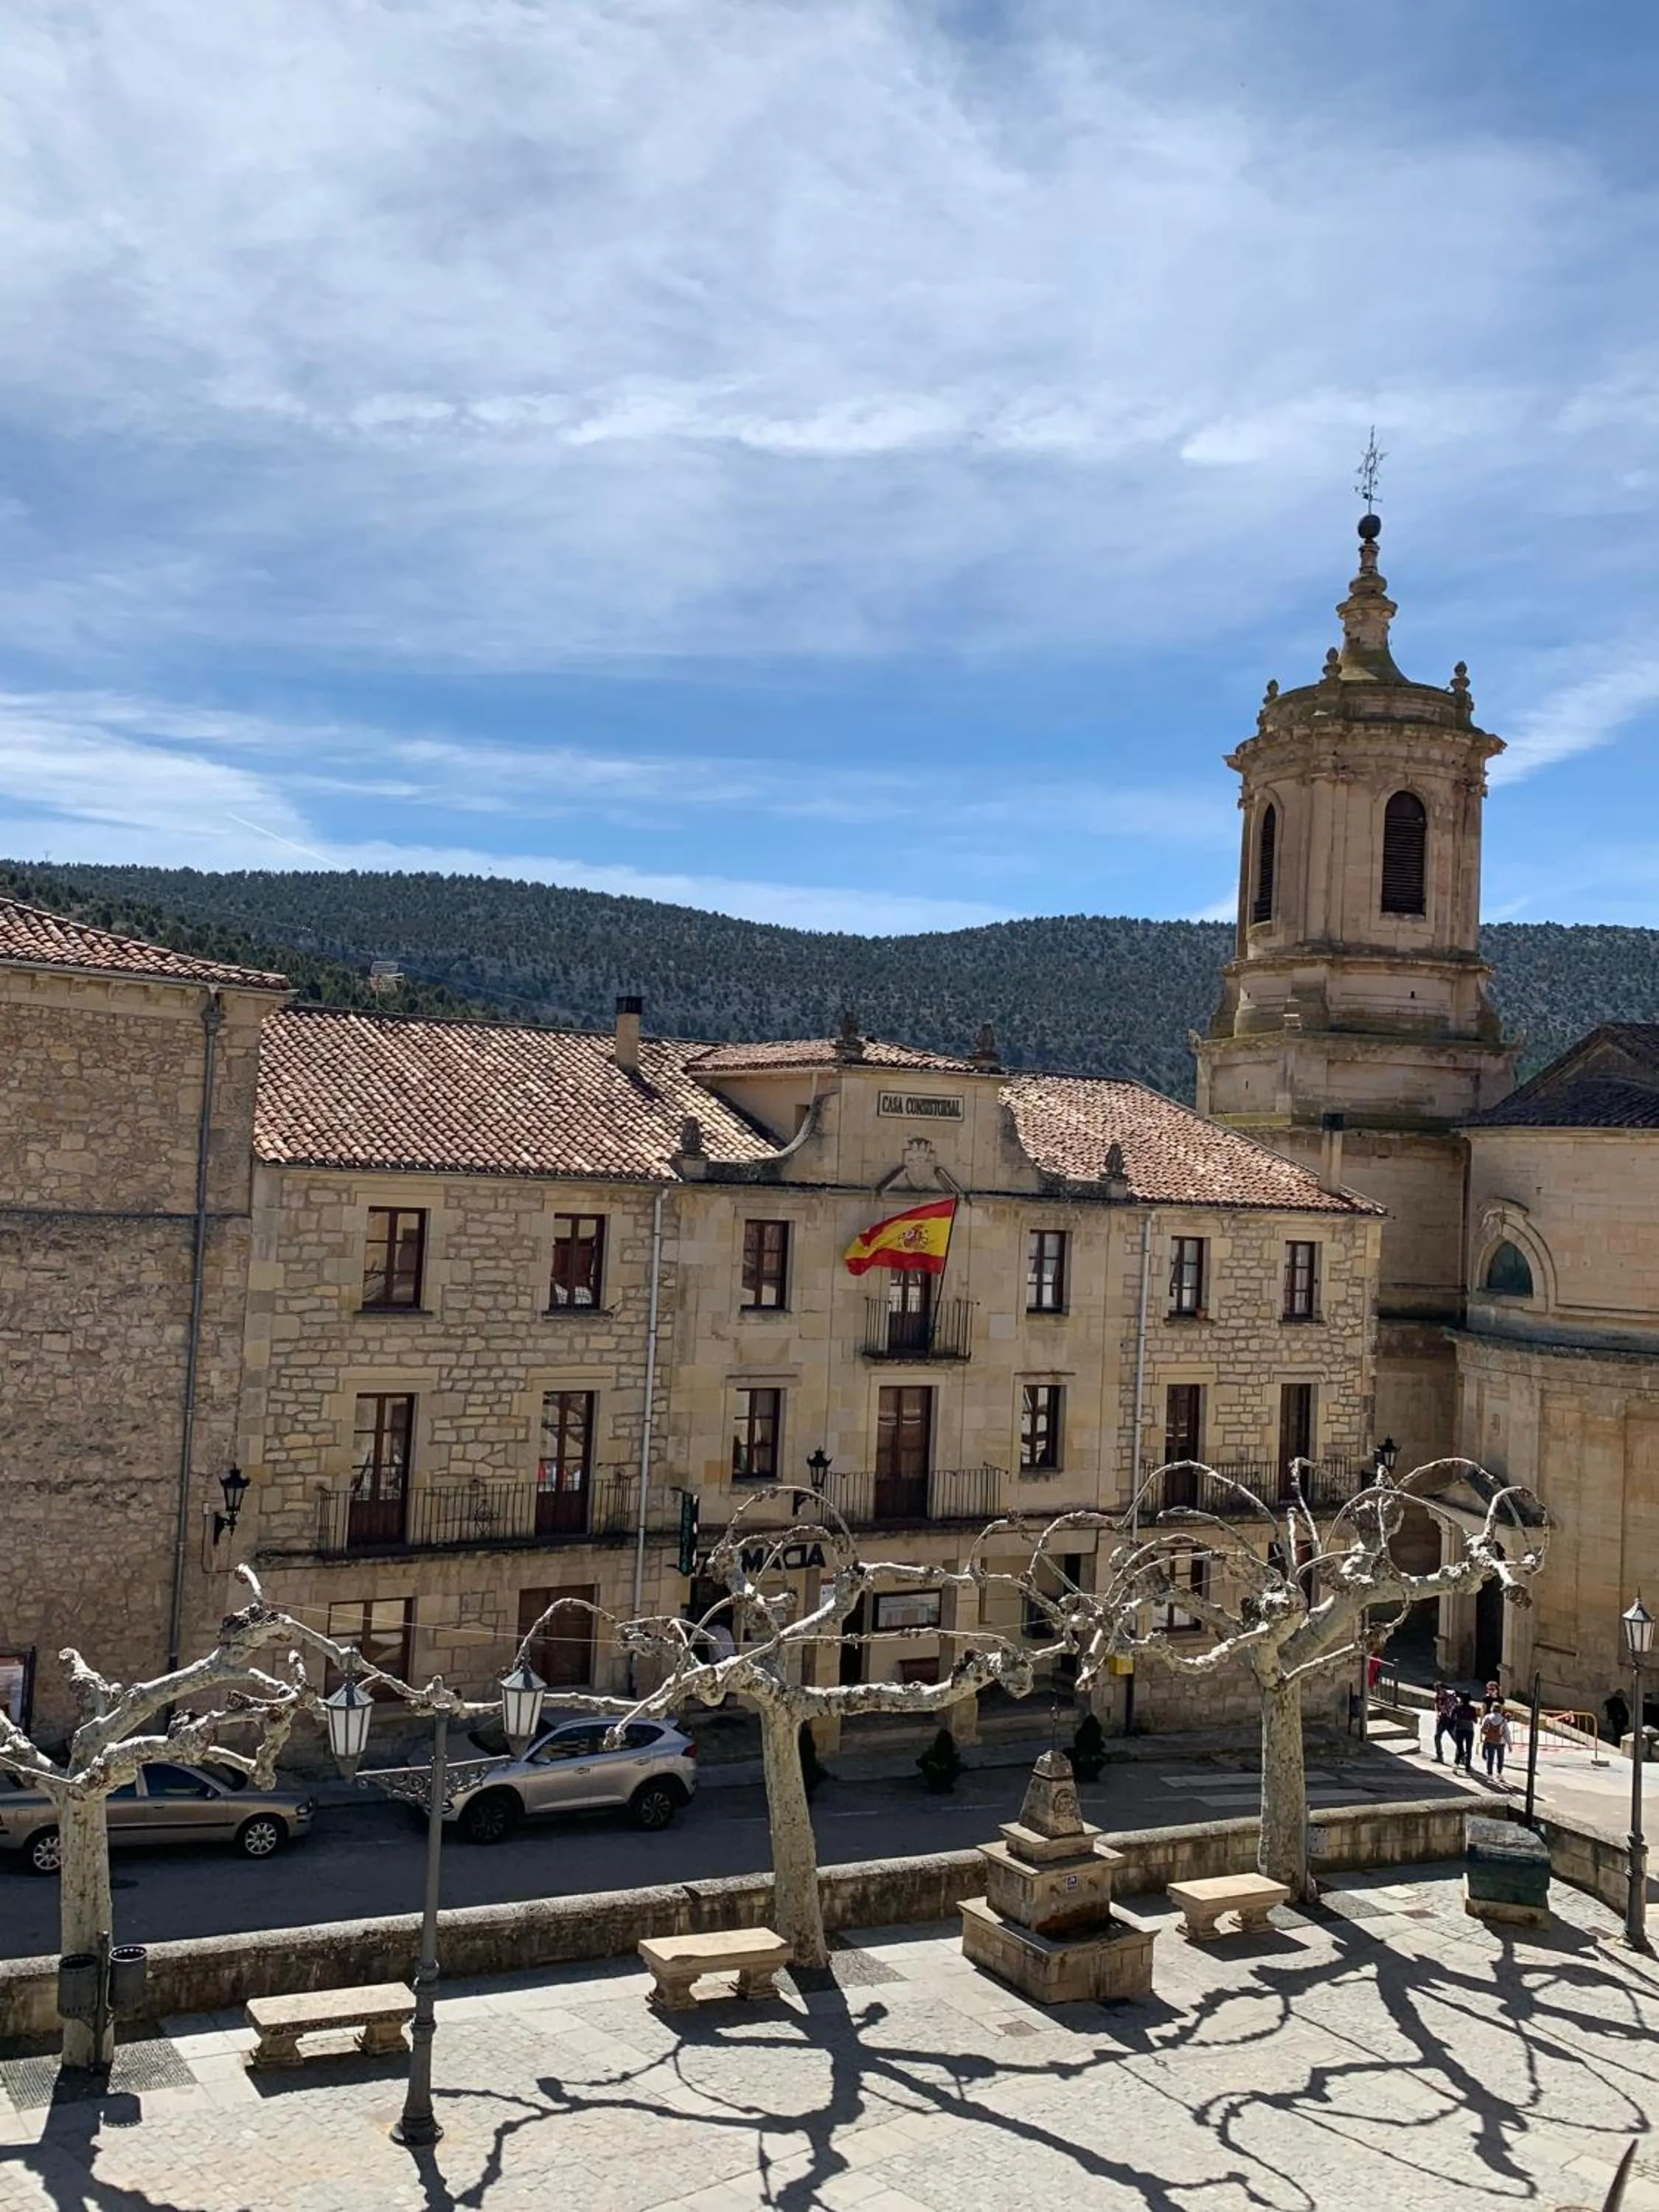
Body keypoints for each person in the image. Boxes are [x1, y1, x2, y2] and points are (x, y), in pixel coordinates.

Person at [1479, 1700, 1512, 1781]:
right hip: (1500, 1742)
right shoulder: (1503, 1719)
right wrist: (1510, 1744)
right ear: (1501, 1710)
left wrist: (1487, 1733)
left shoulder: (1488, 1717)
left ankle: (1490, 1774)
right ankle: (1499, 1773)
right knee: (1500, 1758)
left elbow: (1482, 1729)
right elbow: (1506, 1733)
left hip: (1490, 1741)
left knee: (1490, 1758)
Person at [1451, 1692, 1479, 1772]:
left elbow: (1452, 1717)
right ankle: (1467, 1766)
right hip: (1469, 1729)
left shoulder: (1457, 1707)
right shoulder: (1472, 1708)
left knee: (1459, 1747)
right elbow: (1476, 1720)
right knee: (1469, 1748)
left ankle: (1456, 1763)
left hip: (1459, 1728)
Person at [1432, 1680, 1456, 1764]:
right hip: (1442, 1719)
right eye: (1437, 1690)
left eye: (1440, 1690)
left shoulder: (1450, 1697)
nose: (1439, 1692)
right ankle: (1439, 1756)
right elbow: (1437, 1706)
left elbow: (1454, 1708)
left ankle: (1462, 1756)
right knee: (1437, 1736)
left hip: (1450, 1720)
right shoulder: (1438, 1697)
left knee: (1456, 1739)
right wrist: (1438, 1714)